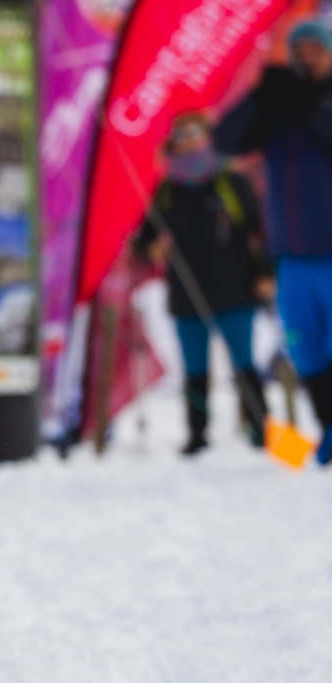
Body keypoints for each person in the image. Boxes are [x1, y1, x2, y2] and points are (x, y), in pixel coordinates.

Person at [216, 20, 332, 465]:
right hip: (292, 255)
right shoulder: (280, 105)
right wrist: (257, 100)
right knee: (306, 351)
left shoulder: (313, 102)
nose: (308, 57)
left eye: (316, 50)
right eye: (299, 49)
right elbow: (226, 141)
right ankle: (327, 430)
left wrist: (311, 107)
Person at [133, 113, 272, 455]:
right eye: (182, 136)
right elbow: (142, 242)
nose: (190, 142)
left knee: (244, 365)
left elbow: (261, 231)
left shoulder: (231, 182)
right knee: (195, 370)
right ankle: (197, 435)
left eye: (195, 134)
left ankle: (262, 431)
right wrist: (152, 248)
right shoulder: (166, 191)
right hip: (186, 296)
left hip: (236, 290)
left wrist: (265, 274)